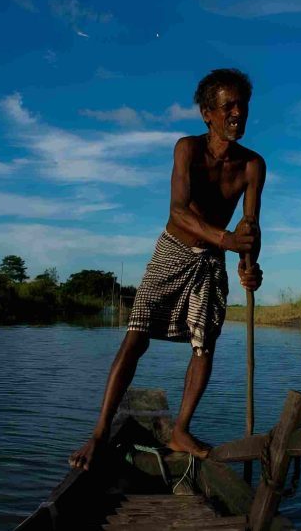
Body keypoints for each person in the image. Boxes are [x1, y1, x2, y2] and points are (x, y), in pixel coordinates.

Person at [69, 68, 266, 470]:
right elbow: (178, 210)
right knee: (136, 337)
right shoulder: (187, 149)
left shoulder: (253, 166)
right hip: (174, 249)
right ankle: (99, 432)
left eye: (242, 106)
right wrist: (228, 241)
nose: (238, 114)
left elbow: (250, 227)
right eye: (228, 106)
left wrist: (250, 264)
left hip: (211, 262)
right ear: (207, 114)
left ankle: (180, 430)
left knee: (203, 346)